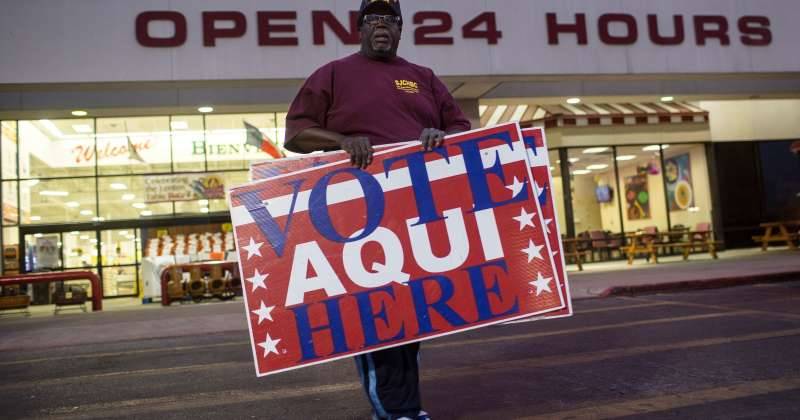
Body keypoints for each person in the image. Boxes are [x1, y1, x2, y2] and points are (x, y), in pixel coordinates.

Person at [283, 1, 471, 418]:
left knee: (411, 312)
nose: (381, 25)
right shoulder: (332, 74)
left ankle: (407, 407)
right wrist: (342, 140)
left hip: (415, 210)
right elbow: (296, 135)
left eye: (390, 19)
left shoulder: (422, 78)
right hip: (357, 211)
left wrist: (440, 134)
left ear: (401, 30)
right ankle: (394, 411)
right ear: (360, 30)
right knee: (375, 313)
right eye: (372, 19)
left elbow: (460, 128)